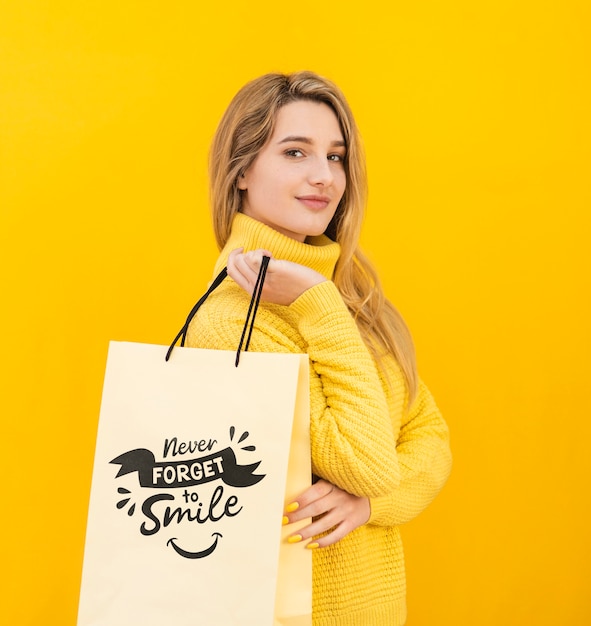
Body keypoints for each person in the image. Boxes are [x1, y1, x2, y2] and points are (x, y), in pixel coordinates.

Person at [186, 71, 452, 626]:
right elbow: (365, 462)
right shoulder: (233, 322)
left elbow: (430, 436)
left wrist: (368, 506)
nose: (323, 177)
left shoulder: (349, 296)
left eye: (335, 156)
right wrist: (319, 304)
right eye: (295, 152)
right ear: (240, 172)